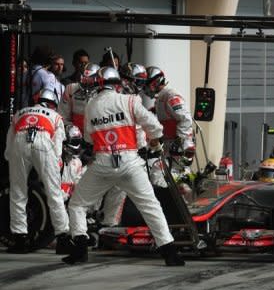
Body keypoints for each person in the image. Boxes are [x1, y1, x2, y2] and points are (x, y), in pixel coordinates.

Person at [64, 67, 184, 266]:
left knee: (77, 204)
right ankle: (170, 252)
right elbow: (155, 127)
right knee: (150, 205)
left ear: (98, 84)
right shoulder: (129, 101)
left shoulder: (91, 106)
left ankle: (80, 247)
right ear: (117, 84)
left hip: (102, 164)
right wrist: (154, 141)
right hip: (130, 163)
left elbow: (87, 137)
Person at [4, 88, 70, 253]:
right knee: (54, 193)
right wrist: (55, 163)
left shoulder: (19, 113)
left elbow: (9, 144)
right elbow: (58, 146)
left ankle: (20, 240)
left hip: (19, 141)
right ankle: (63, 239)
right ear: (52, 104)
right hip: (44, 142)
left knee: (18, 192)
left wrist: (11, 159)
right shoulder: (55, 116)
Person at [143, 66, 195, 165]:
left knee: (174, 176)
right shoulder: (161, 98)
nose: (144, 89)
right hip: (169, 144)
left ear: (154, 83)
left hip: (179, 146)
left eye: (146, 85)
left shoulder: (171, 96)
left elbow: (185, 119)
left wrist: (179, 142)